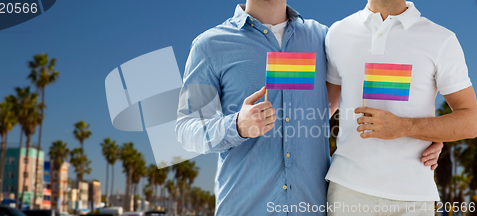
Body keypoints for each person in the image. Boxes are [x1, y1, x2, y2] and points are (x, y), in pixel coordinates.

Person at [176, 0, 442, 215]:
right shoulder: (210, 45)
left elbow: (362, 92)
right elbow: (186, 129)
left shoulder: (324, 38)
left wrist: (417, 135)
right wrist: (236, 125)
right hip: (245, 207)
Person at [325, 0, 477, 215]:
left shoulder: (441, 39)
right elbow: (323, 109)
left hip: (413, 197)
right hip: (347, 192)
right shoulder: (338, 32)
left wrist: (406, 127)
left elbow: (471, 121)